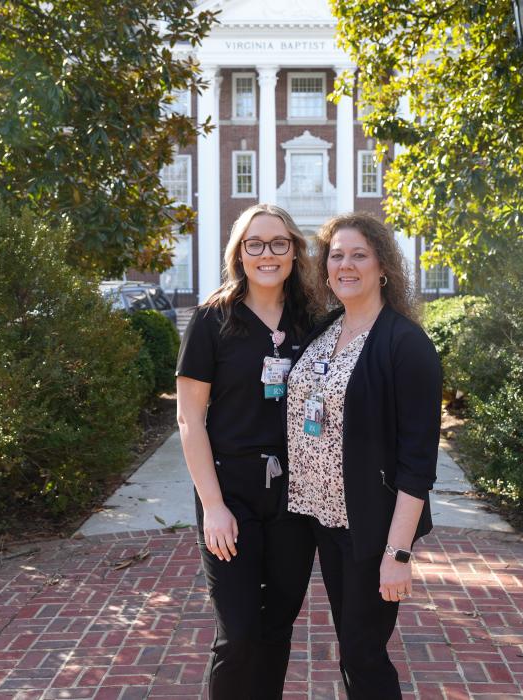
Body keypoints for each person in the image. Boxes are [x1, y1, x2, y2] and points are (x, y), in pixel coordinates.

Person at [286, 212, 442, 700]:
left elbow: (418, 463)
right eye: (336, 256)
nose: (345, 265)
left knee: (363, 652)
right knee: (352, 645)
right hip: (320, 519)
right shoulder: (325, 331)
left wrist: (397, 553)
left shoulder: (406, 344)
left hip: (369, 529)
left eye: (359, 255)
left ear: (383, 267)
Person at [176, 204, 316, 700]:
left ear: (295, 251)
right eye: (254, 244)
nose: (267, 254)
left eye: (279, 243)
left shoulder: (313, 321)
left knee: (277, 628)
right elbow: (189, 419)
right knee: (237, 633)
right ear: (239, 253)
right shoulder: (213, 320)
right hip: (229, 490)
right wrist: (213, 507)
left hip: (296, 496)